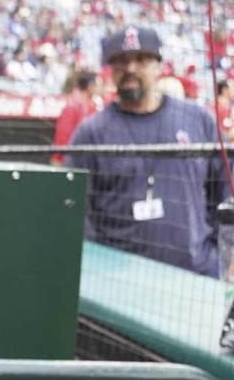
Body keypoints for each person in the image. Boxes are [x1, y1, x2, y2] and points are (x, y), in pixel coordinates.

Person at [66, 26, 229, 278]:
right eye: (120, 61)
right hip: (122, 285)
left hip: (196, 277)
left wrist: (221, 255)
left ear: (158, 65)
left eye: (141, 59)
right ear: (110, 70)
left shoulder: (197, 119)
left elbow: (225, 191)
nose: (130, 68)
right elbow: (77, 213)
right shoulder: (91, 133)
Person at [51, 70, 100, 165]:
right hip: (68, 162)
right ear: (90, 86)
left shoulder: (91, 104)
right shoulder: (73, 105)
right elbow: (63, 138)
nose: (100, 88)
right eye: (97, 84)